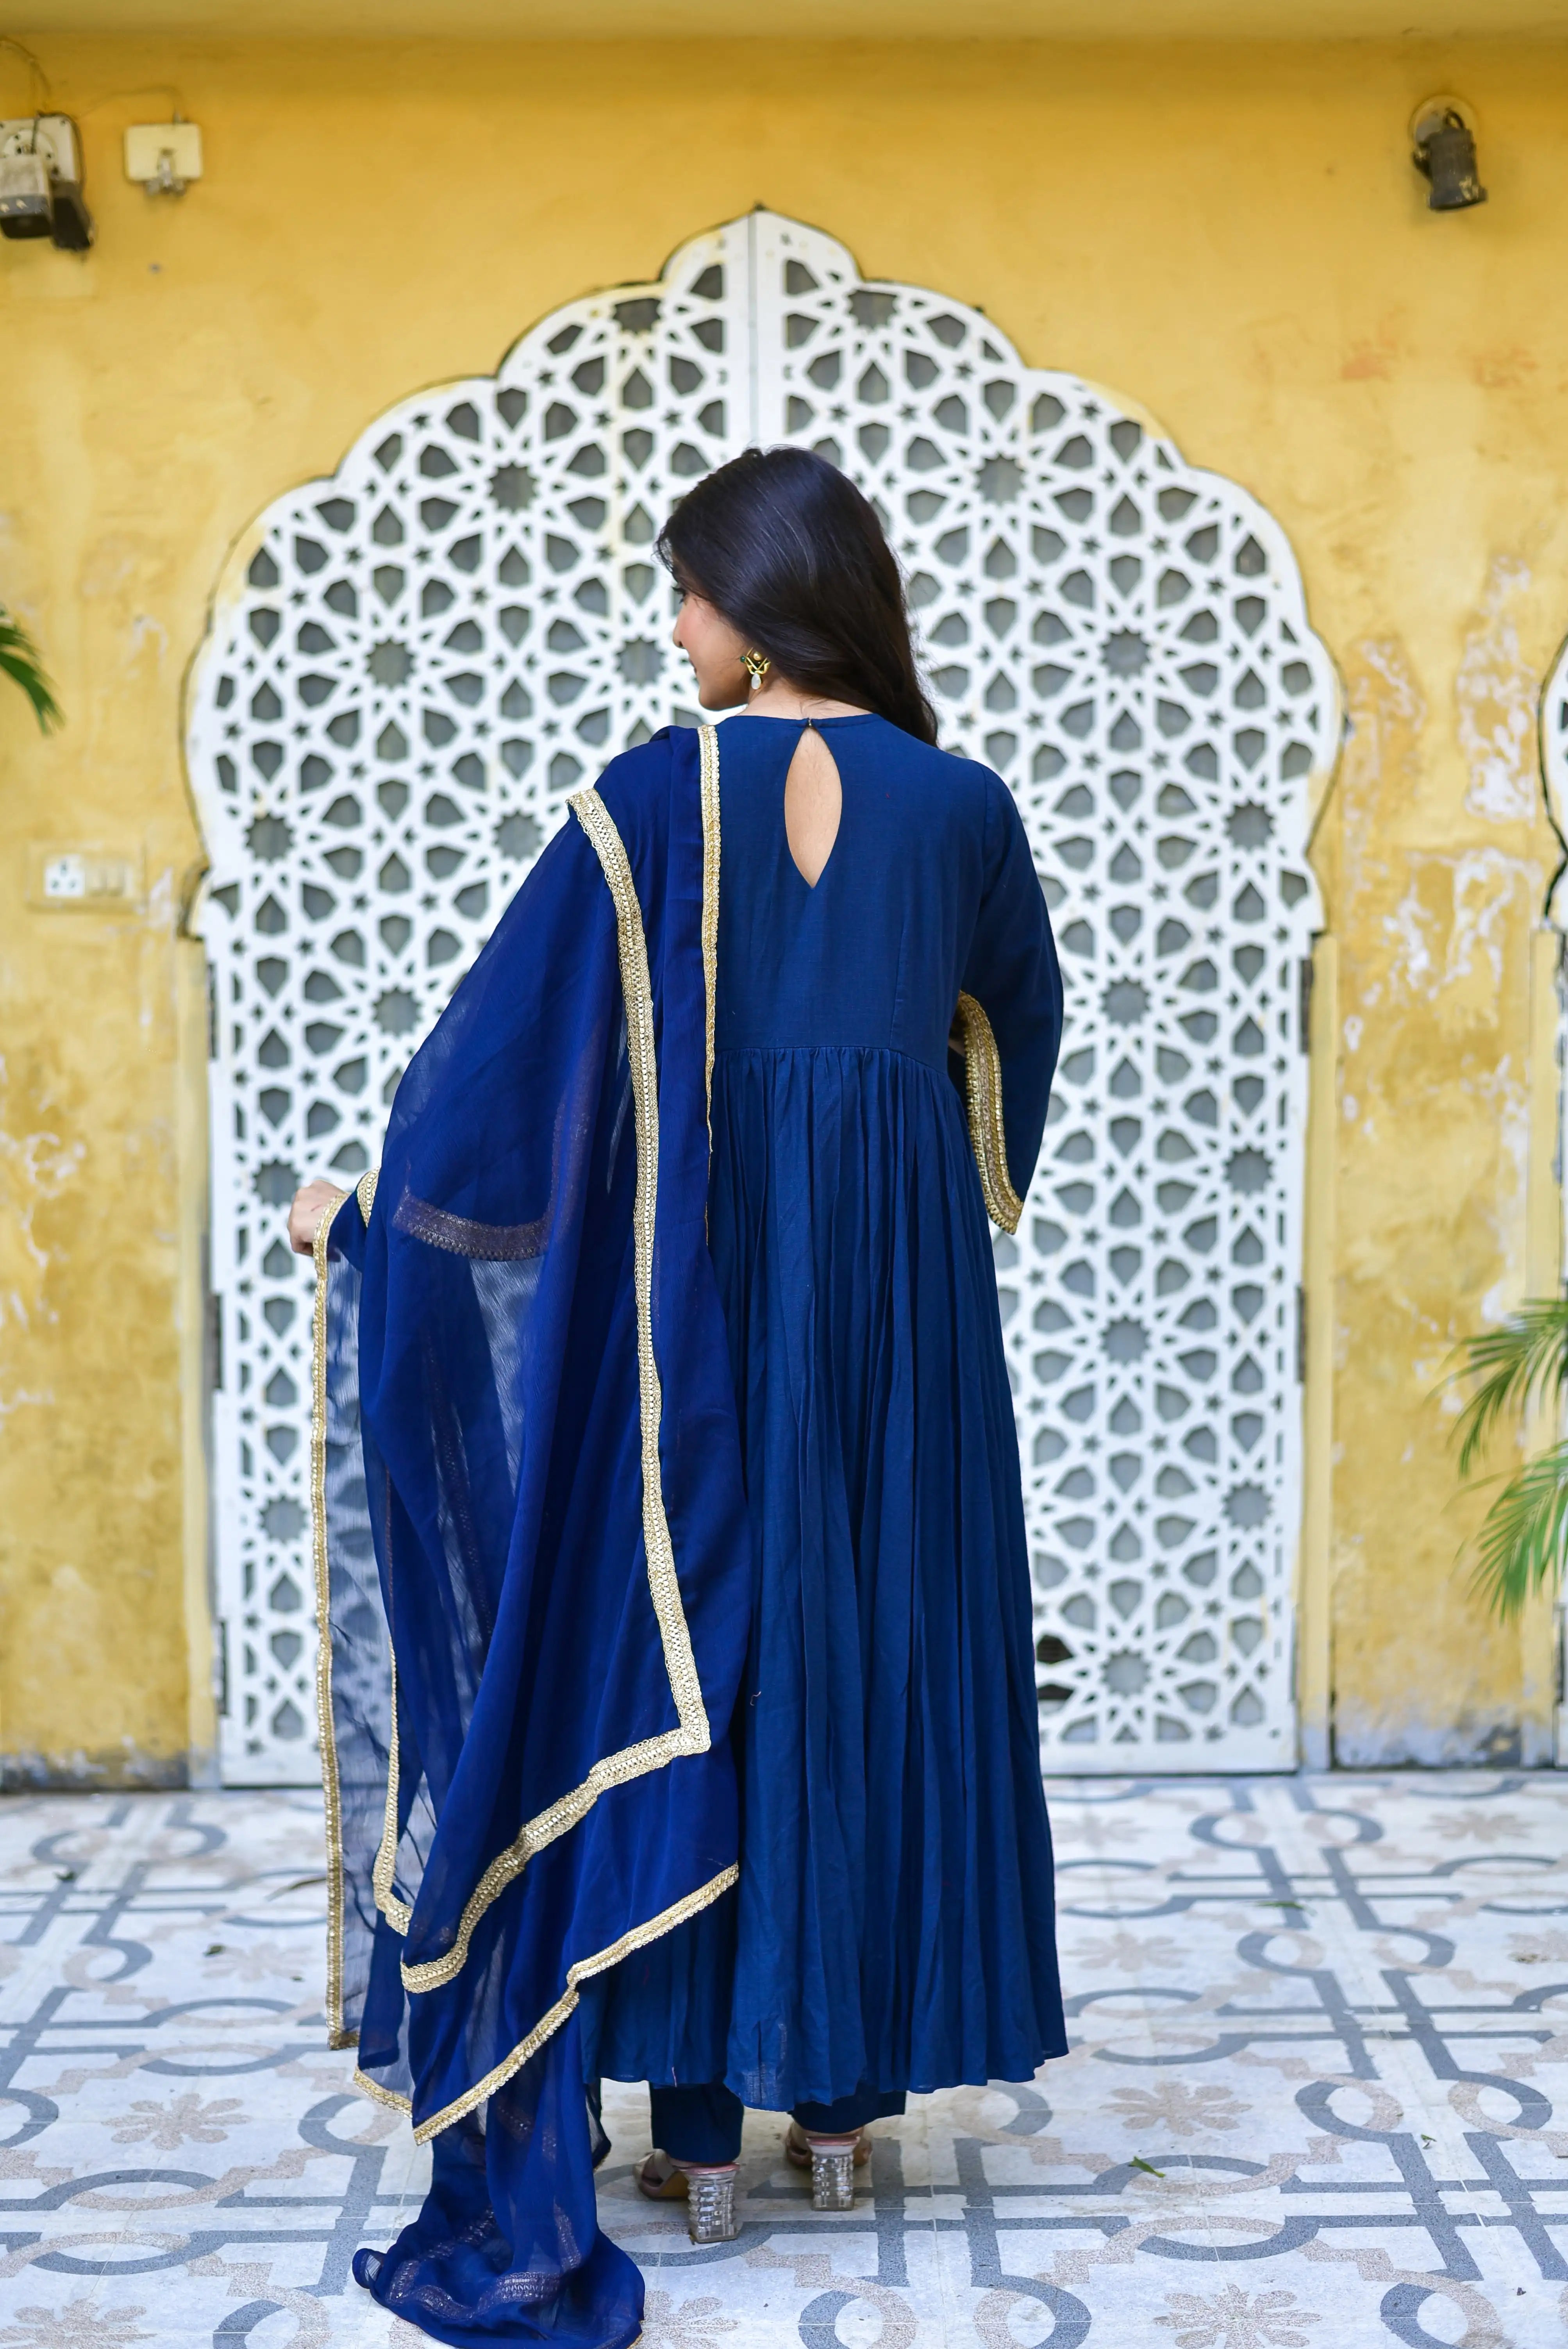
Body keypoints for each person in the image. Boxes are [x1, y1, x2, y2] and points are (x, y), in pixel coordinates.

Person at [289, 446, 1066, 2349]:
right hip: (904, 1323)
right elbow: (1014, 1028)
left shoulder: (648, 800)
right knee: (874, 1650)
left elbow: (499, 1063)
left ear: (763, 600)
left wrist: (381, 1216)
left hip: (694, 1317)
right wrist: (909, 1169)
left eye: (690, 594)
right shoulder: (959, 805)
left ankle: (698, 2138)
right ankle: (841, 2115)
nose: (674, 629)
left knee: (697, 1654)